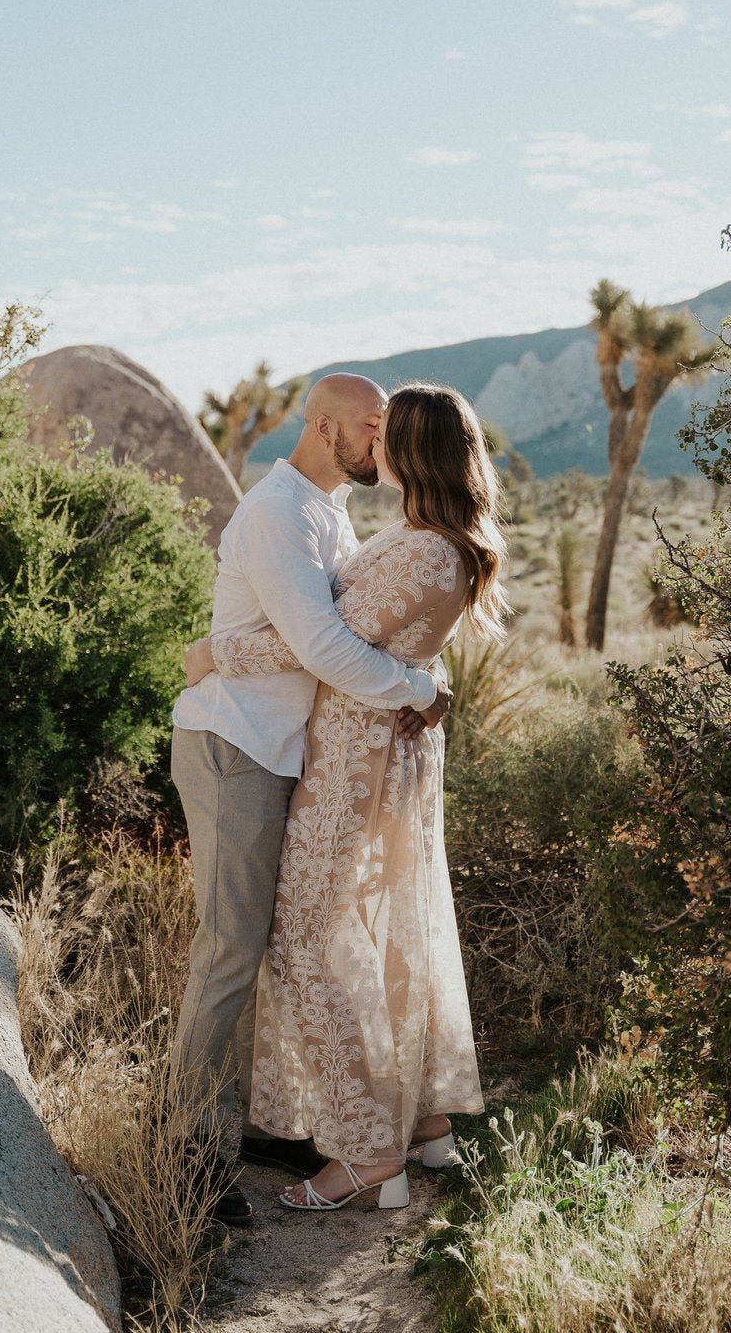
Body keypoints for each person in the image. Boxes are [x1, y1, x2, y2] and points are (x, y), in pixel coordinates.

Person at [187, 383, 507, 1211]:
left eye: (387, 429)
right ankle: (420, 1126)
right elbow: (341, 636)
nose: (375, 440)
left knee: (306, 945)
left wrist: (215, 652)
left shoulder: (414, 546)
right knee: (366, 932)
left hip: (344, 766)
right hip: (316, 751)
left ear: (413, 449)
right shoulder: (396, 535)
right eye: (368, 425)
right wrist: (417, 683)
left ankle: (369, 1149)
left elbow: (322, 644)